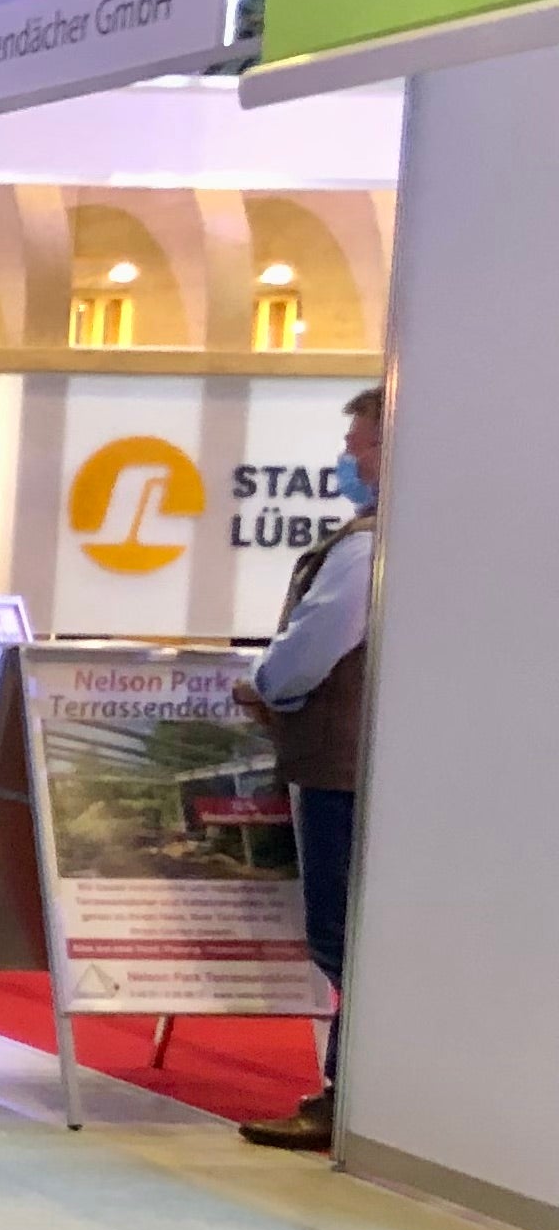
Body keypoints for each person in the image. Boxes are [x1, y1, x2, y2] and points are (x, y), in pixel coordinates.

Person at [234, 385, 382, 1151]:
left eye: (358, 445)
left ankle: (346, 1100)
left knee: (341, 934)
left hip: (337, 768)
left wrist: (265, 685)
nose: (346, 460)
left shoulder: (364, 549)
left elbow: (310, 648)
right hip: (371, 763)